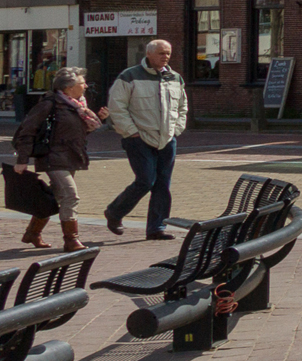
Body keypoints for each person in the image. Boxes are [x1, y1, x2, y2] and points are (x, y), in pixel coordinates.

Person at [12, 67, 108, 251]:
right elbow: (27, 131)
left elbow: (75, 132)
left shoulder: (77, 105)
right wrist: (22, 160)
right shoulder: (49, 104)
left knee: (54, 197)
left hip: (71, 157)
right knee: (70, 196)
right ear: (68, 87)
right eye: (82, 83)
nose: (85, 86)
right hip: (52, 157)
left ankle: (32, 233)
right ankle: (71, 240)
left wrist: (98, 119)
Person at [104, 38, 189, 240]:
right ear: (148, 54)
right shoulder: (129, 76)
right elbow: (117, 107)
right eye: (161, 53)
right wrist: (131, 131)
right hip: (138, 139)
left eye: (168, 53)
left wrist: (177, 128)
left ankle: (156, 228)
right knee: (145, 180)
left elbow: (182, 106)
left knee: (162, 184)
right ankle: (114, 212)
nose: (165, 56)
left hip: (167, 139)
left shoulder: (175, 78)